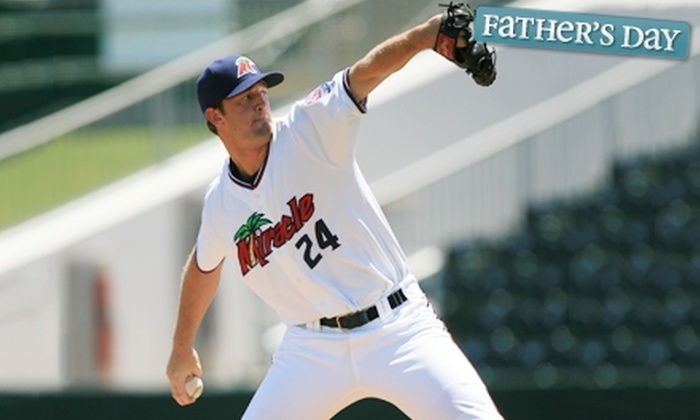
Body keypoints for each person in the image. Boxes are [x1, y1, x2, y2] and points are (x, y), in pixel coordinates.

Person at [166, 9, 503, 420]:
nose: (259, 104)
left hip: (396, 325)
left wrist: (424, 36)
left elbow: (362, 75)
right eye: (244, 99)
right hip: (311, 351)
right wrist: (182, 347)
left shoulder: (309, 129)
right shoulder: (222, 201)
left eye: (261, 94)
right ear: (214, 117)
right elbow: (203, 267)